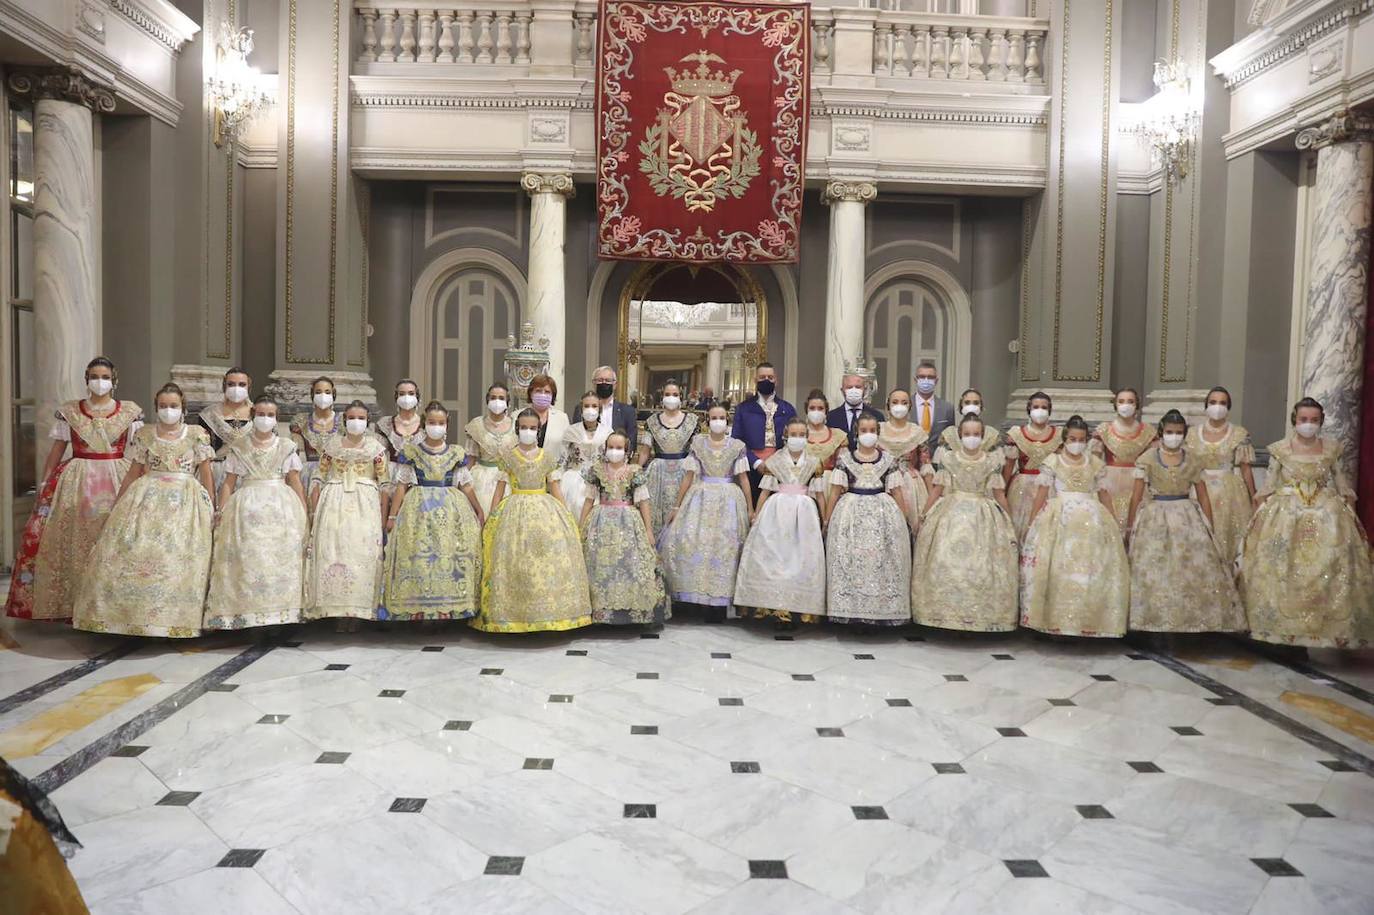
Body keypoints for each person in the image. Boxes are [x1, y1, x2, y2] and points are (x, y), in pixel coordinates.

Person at [5, 357, 142, 622]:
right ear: (86, 379)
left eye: (104, 376)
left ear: (114, 380)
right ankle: (71, 603)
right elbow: (57, 450)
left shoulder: (130, 412)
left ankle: (114, 605)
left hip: (117, 476)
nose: (98, 382)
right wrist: (45, 484)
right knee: (71, 540)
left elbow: (138, 452)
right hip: (77, 479)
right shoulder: (70, 411)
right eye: (93, 376)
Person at [73, 383, 215, 638]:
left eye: (173, 406)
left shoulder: (196, 434)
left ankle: (171, 619)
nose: (168, 410)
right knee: (133, 551)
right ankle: (127, 617)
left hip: (185, 499)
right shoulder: (145, 435)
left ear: (182, 408)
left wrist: (212, 506)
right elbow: (132, 473)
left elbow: (206, 473)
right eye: (163, 406)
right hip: (145, 498)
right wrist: (118, 504)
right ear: (156, 407)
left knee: (176, 556)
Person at [1240, 398, 1374, 648]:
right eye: (1303, 420)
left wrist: (1352, 520)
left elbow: (1343, 485)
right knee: (1282, 569)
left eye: (1314, 420)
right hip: (1286, 515)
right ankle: (1279, 629)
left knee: (1327, 567)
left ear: (1321, 422)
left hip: (1327, 515)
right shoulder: (1280, 449)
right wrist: (1257, 519)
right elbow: (1269, 485)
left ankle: (1326, 630)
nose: (1308, 424)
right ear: (1295, 420)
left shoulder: (1332, 449)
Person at [1125, 410, 1245, 634]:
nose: (1174, 436)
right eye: (1170, 432)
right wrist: (1130, 526)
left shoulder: (1193, 460)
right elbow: (1136, 495)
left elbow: (1203, 495)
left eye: (1179, 433)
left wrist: (1209, 525)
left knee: (1193, 567)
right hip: (1155, 516)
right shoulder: (1147, 459)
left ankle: (1192, 621)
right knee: (1154, 567)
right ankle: (1152, 620)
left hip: (1187, 517)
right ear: (1161, 433)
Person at [473, 408, 592, 632]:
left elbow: (555, 487)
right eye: (524, 428)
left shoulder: (547, 457)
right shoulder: (507, 456)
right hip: (514, 510)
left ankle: (548, 613)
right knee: (516, 561)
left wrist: (565, 514)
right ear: (517, 430)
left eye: (533, 428)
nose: (529, 431)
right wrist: (492, 515)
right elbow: (500, 489)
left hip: (544, 509)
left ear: (538, 431)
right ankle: (514, 615)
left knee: (544, 559)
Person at [1018, 416, 1129, 637]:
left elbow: (1105, 495)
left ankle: (1086, 622)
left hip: (1092, 523)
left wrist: (1115, 524)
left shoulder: (1096, 465)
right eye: (1072, 438)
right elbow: (1040, 496)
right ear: (1064, 439)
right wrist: (1031, 525)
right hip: (1059, 520)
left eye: (1081, 439)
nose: (1076, 443)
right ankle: (1056, 621)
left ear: (1087, 440)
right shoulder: (1052, 462)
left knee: (1089, 570)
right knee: (1058, 568)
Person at [204, 395, 308, 630]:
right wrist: (222, 510)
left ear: (276, 418)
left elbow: (295, 480)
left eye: (270, 415)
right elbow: (229, 482)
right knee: (251, 560)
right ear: (252, 417)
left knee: (280, 561)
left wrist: (303, 511)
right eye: (260, 414)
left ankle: (281, 619)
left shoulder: (286, 447)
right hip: (247, 507)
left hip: (281, 507)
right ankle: (250, 619)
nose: (265, 418)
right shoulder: (240, 447)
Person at [912, 413, 1019, 632]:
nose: (972, 438)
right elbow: (937, 490)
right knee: (945, 560)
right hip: (950, 513)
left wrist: (1009, 523)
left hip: (983, 515)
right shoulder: (949, 459)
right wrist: (923, 516)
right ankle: (944, 615)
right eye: (968, 434)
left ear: (982, 436)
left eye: (976, 434)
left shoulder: (991, 461)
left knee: (982, 565)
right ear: (960, 436)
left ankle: (979, 617)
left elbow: (999, 495)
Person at [380, 402, 484, 622]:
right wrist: (392, 515)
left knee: (449, 553)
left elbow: (465, 484)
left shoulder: (456, 452)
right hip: (418, 508)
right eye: (431, 422)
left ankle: (448, 609)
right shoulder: (412, 452)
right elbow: (401, 485)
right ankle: (421, 611)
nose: (436, 426)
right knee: (421, 555)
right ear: (424, 424)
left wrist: (477, 508)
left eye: (441, 423)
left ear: (447, 425)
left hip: (451, 507)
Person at [734, 418, 827, 627]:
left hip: (804, 514)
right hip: (776, 511)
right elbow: (765, 490)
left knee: (801, 557)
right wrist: (756, 515)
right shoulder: (775, 461)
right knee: (774, 556)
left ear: (807, 437)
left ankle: (798, 608)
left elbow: (820, 494)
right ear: (786, 436)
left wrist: (825, 518)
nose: (797, 438)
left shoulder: (814, 462)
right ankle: (768, 605)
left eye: (801, 435)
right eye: (793, 434)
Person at [662, 404, 752, 613]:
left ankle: (719, 603)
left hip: (728, 499)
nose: (717, 421)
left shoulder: (737, 445)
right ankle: (695, 598)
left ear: (727, 420)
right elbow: (688, 476)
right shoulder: (698, 443)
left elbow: (744, 478)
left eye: (721, 417)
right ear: (707, 420)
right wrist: (677, 505)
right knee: (692, 541)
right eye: (713, 417)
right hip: (699, 498)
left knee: (725, 547)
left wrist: (750, 507)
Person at [305, 401, 389, 625]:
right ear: (344, 421)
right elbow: (318, 476)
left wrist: (384, 515)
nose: (356, 422)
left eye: (361, 418)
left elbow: (385, 483)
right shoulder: (332, 446)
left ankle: (360, 612)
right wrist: (314, 507)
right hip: (334, 500)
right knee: (334, 551)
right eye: (351, 418)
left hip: (366, 503)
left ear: (367, 421)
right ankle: (336, 611)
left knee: (362, 553)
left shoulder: (376, 448)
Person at [824, 414, 912, 625]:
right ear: (856, 433)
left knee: (880, 562)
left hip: (883, 516)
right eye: (864, 431)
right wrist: (827, 520)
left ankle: (879, 614)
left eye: (872, 430)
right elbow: (835, 492)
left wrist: (904, 520)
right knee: (851, 561)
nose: (868, 434)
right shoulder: (845, 460)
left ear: (878, 434)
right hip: (850, 515)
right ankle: (853, 613)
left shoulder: (888, 460)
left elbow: (897, 492)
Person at [579, 432, 669, 625]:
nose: (614, 451)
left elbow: (644, 502)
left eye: (619, 448)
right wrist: (580, 527)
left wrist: (648, 530)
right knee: (598, 563)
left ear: (627, 451)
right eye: (611, 447)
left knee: (632, 562)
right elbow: (588, 501)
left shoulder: (635, 472)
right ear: (605, 449)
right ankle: (598, 611)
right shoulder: (597, 471)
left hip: (629, 521)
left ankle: (632, 611)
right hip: (600, 521)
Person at [1186, 386, 1256, 564]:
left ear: (1228, 407)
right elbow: (1186, 466)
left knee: (1228, 538)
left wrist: (1254, 497)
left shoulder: (1239, 434)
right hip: (1198, 490)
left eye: (1222, 403)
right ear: (1206, 405)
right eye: (1213, 402)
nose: (1217, 407)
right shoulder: (1192, 434)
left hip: (1231, 494)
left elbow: (1246, 468)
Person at [637, 380, 699, 530]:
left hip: (685, 471)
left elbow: (697, 450)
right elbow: (645, 450)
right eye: (667, 394)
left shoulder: (692, 421)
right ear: (662, 397)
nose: (671, 397)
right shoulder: (651, 422)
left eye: (675, 394)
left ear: (680, 397)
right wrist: (637, 469)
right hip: (658, 472)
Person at [730, 362, 796, 501]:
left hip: (780, 469)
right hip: (751, 467)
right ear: (755, 380)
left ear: (776, 380)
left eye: (770, 377)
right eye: (762, 377)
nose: (766, 380)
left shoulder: (787, 408)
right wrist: (757, 463)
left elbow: (794, 439)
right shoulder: (744, 409)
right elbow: (736, 440)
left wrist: (777, 462)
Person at [1093, 387, 1156, 531]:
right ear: (1115, 405)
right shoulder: (1104, 430)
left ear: (1137, 405)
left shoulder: (1148, 432)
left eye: (1130, 401)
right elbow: (1093, 462)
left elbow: (1153, 462)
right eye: (1121, 401)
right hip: (1109, 483)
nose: (1125, 405)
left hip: (1138, 483)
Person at [1004, 391, 1063, 540]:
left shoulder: (1058, 435)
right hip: (1021, 489)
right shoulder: (1016, 434)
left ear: (1049, 410)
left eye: (1044, 407)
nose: (1040, 410)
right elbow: (1008, 467)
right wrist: (1002, 492)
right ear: (1029, 409)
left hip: (1050, 488)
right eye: (1036, 406)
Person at [877, 387, 930, 528]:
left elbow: (926, 465)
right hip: (882, 485)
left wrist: (933, 500)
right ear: (888, 406)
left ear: (909, 406)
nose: (899, 405)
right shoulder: (877, 430)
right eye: (895, 402)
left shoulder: (917, 432)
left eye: (904, 402)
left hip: (912, 486)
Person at [197, 367, 253, 494]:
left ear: (249, 387)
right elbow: (203, 452)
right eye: (231, 384)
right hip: (216, 472)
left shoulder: (260, 413)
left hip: (249, 472)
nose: (236, 388)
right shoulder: (209, 415)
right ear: (224, 386)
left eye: (242, 384)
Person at [464, 383, 515, 516]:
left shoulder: (516, 425)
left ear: (507, 402)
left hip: (508, 479)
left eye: (501, 398)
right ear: (487, 401)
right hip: (481, 479)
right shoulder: (476, 425)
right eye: (493, 398)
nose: (497, 401)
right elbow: (470, 458)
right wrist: (462, 483)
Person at [560, 390, 611, 517]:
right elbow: (563, 458)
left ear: (599, 409)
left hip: (599, 481)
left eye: (594, 406)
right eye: (587, 406)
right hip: (572, 480)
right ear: (581, 409)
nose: (590, 409)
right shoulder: (571, 431)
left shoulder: (608, 432)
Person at [928, 388, 1002, 472]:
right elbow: (940, 468)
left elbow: (997, 469)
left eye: (976, 403)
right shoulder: (949, 435)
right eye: (967, 402)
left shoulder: (991, 435)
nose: (971, 406)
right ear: (961, 406)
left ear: (981, 406)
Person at [376, 378, 426, 498]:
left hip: (419, 476)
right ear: (396, 397)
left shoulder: (426, 424)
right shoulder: (386, 423)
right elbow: (379, 454)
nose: (406, 397)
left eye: (411, 393)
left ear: (417, 396)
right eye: (402, 394)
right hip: (391, 476)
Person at [290, 376, 341, 493]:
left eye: (327, 392)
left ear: (333, 394)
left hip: (336, 474)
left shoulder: (344, 421)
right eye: (318, 392)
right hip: (308, 475)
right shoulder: (301, 421)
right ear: (312, 395)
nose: (323, 396)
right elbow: (294, 454)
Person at [584, 365, 638, 451]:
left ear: (615, 385)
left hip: (617, 460)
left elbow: (631, 441)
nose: (604, 383)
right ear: (594, 383)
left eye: (608, 380)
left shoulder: (627, 411)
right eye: (600, 380)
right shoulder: (582, 409)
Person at [826, 373, 885, 448]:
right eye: (849, 387)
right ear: (842, 390)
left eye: (858, 387)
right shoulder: (831, 417)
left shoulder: (877, 416)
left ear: (865, 389)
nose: (854, 390)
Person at [912, 360, 955, 452]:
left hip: (936, 460)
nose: (926, 380)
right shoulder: (906, 405)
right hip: (910, 460)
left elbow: (950, 438)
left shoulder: (947, 408)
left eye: (930, 377)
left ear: (936, 381)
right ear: (915, 380)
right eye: (922, 377)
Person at [529, 374, 571, 462]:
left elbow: (566, 449)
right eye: (538, 391)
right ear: (531, 393)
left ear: (552, 395)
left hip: (553, 471)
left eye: (547, 392)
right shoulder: (517, 415)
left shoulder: (562, 418)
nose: (542, 395)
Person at [802, 391, 846, 473]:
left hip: (830, 483)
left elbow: (842, 467)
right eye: (812, 408)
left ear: (826, 411)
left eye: (820, 408)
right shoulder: (797, 435)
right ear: (806, 410)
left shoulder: (838, 436)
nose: (816, 411)